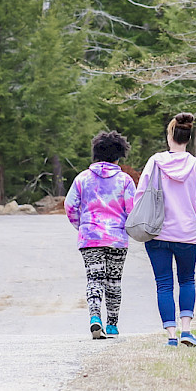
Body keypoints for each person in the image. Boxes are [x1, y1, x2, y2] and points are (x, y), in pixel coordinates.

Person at [134, 112, 196, 347]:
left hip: (157, 233)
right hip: (187, 234)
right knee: (187, 280)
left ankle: (171, 335)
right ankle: (187, 330)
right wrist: (192, 220)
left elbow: (140, 195)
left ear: (170, 135)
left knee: (163, 283)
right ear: (187, 138)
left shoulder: (155, 162)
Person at [65, 131, 138, 339]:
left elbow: (70, 206)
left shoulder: (82, 179)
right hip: (117, 239)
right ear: (119, 156)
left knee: (94, 279)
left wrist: (82, 226)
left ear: (95, 154)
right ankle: (112, 324)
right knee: (114, 281)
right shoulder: (125, 181)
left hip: (90, 237)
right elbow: (132, 210)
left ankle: (95, 318)